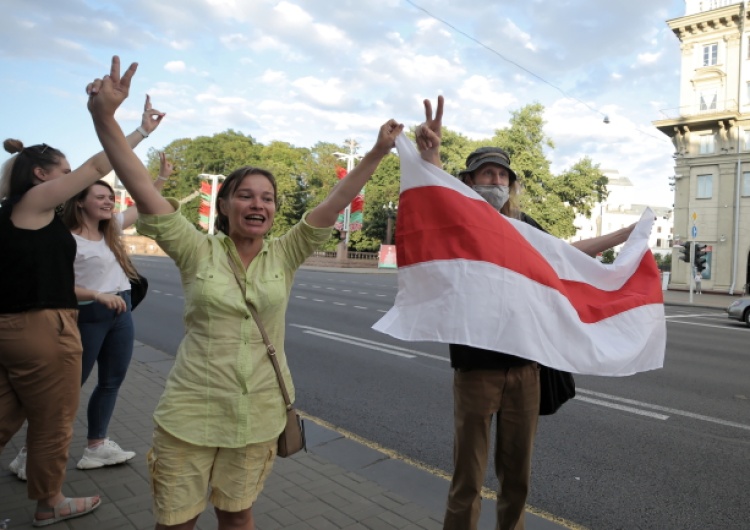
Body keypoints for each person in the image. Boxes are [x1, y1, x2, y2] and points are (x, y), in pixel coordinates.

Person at [86, 55, 404, 530]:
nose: (258, 204)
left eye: (268, 197)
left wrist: (377, 153)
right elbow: (134, 177)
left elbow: (337, 200)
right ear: (225, 205)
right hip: (190, 415)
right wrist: (103, 116)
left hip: (257, 416)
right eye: (245, 195)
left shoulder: (287, 253)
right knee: (175, 522)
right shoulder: (196, 250)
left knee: (237, 517)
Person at [415, 95, 636, 530]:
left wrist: (625, 234)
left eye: (502, 175)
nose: (495, 181)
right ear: (469, 180)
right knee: (468, 478)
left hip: (525, 369)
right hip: (476, 368)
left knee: (517, 478)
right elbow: (434, 197)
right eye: (487, 173)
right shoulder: (459, 221)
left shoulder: (525, 227)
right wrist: (431, 155)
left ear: (510, 184)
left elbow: (568, 255)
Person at [0, 89, 163, 526]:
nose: (73, 178)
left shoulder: (13, 212)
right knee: (54, 420)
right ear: (39, 175)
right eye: (63, 173)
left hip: (13, 328)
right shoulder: (32, 204)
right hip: (42, 330)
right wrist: (140, 132)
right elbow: (98, 166)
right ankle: (50, 503)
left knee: (5, 415)